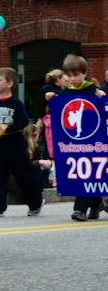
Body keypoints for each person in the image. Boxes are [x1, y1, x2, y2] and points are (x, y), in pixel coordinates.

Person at [0, 66, 43, 218]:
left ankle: (35, 203)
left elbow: (23, 122)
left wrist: (8, 129)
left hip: (15, 143)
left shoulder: (15, 103)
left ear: (9, 84)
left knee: (23, 174)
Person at [59, 54, 105, 221]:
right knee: (82, 173)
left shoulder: (92, 90)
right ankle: (95, 204)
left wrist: (101, 97)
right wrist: (51, 99)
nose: (73, 79)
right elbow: (60, 114)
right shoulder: (65, 93)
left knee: (90, 173)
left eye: (76, 75)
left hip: (93, 139)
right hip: (75, 141)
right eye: (69, 76)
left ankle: (82, 209)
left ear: (84, 74)